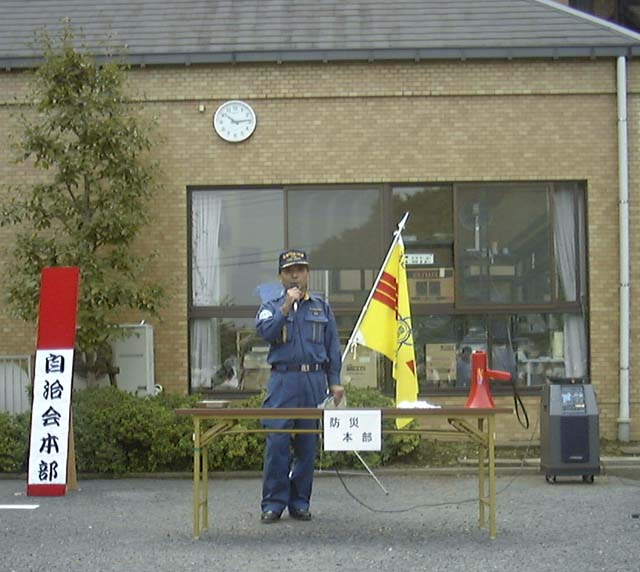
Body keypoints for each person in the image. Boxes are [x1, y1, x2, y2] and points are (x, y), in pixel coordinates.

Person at [255, 248, 343, 523]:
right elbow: (265, 332)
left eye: (300, 270)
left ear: (308, 274)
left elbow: (332, 345)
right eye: (289, 271)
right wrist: (285, 308)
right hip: (283, 380)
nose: (295, 275)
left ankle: (300, 502)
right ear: (280, 276)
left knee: (307, 445)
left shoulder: (321, 307)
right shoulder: (270, 306)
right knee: (277, 443)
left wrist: (335, 381)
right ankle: (273, 504)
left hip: (313, 381)